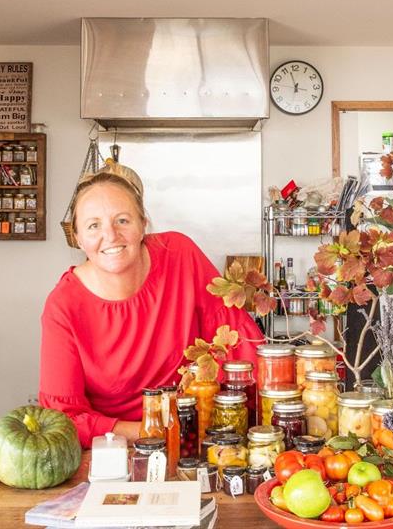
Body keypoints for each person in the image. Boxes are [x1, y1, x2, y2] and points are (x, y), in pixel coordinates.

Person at [39, 159, 262, 448]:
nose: (110, 236)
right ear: (78, 238)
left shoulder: (180, 254)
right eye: (94, 226)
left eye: (122, 220)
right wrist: (150, 431)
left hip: (196, 437)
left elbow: (237, 339)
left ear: (143, 224)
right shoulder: (63, 306)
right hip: (110, 450)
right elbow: (62, 418)